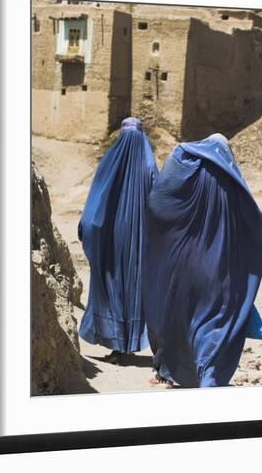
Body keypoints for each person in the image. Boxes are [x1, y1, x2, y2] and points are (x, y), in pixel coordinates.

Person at [144, 133, 262, 388]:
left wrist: (172, 233)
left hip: (182, 266)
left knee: (180, 316)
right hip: (219, 268)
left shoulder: (185, 166)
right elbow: (253, 223)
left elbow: (157, 201)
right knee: (213, 324)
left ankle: (175, 370)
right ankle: (208, 377)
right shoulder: (232, 180)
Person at [78, 117, 158, 363]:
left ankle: (114, 344)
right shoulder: (149, 167)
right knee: (133, 289)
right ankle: (126, 345)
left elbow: (93, 209)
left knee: (110, 286)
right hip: (139, 242)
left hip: (110, 241)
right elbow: (162, 203)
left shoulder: (109, 163)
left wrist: (88, 232)